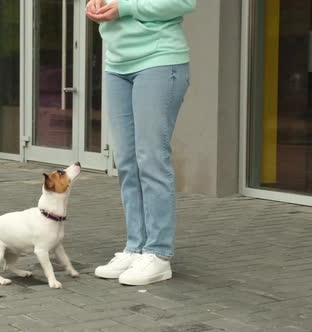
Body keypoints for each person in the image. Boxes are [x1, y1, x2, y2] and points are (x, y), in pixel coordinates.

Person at [86, 0, 196, 286]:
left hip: (158, 60)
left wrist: (124, 8)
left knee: (151, 158)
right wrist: (95, 7)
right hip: (117, 64)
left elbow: (184, 3)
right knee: (126, 161)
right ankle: (135, 247)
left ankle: (158, 254)